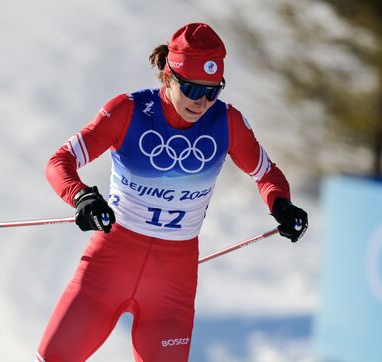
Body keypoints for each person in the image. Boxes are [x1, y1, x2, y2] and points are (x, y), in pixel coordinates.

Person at [34, 22, 308, 362]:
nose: (203, 101)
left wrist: (282, 205)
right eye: (192, 89)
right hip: (108, 267)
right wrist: (81, 196)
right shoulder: (128, 110)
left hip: (171, 283)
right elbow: (60, 161)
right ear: (168, 77)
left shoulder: (227, 122)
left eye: (212, 91)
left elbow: (267, 174)